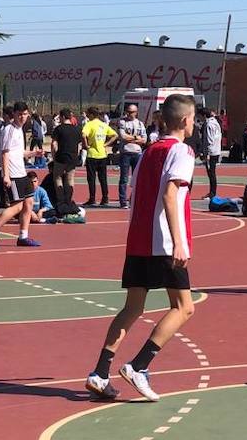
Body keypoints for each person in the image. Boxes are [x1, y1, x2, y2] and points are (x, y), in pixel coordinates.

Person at [84, 94, 198, 401]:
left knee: (133, 307)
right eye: (193, 119)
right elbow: (170, 196)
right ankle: (139, 366)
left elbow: (139, 196)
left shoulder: (148, 152)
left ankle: (99, 373)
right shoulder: (183, 152)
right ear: (186, 121)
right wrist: (179, 242)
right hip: (163, 242)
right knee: (183, 307)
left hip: (138, 240)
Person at [0, 102, 41, 249]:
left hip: (22, 172)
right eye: (19, 114)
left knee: (29, 203)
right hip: (13, 174)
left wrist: (33, 153)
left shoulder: (20, 130)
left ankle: (23, 237)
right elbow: (5, 153)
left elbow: (19, 152)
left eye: (25, 114)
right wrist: (6, 175)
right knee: (17, 206)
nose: (22, 117)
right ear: (13, 114)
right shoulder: (8, 129)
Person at [82, 106, 117, 206]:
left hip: (92, 154)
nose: (87, 116)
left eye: (88, 114)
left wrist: (86, 145)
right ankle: (105, 198)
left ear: (92, 115)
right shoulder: (103, 125)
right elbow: (115, 135)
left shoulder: (90, 124)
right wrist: (105, 144)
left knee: (91, 178)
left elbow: (83, 134)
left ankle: (92, 198)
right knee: (103, 178)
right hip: (102, 155)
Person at [50, 108, 82, 208]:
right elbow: (79, 145)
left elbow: (54, 144)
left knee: (57, 177)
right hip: (72, 157)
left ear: (63, 117)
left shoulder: (59, 129)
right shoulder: (77, 129)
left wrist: (54, 156)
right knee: (70, 179)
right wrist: (76, 155)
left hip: (61, 157)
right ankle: (68, 199)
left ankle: (61, 199)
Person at [117, 103, 147, 208]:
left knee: (136, 178)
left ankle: (134, 199)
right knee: (124, 178)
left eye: (132, 112)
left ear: (136, 112)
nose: (130, 114)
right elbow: (123, 136)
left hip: (137, 153)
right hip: (126, 152)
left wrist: (135, 139)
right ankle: (123, 201)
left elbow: (144, 139)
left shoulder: (140, 124)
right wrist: (136, 138)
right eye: (128, 112)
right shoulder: (122, 122)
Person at [199, 108, 222, 199]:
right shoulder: (216, 122)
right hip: (216, 150)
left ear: (204, 116)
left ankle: (212, 193)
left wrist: (206, 153)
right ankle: (212, 192)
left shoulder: (208, 124)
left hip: (211, 151)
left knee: (211, 173)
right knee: (212, 172)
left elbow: (209, 140)